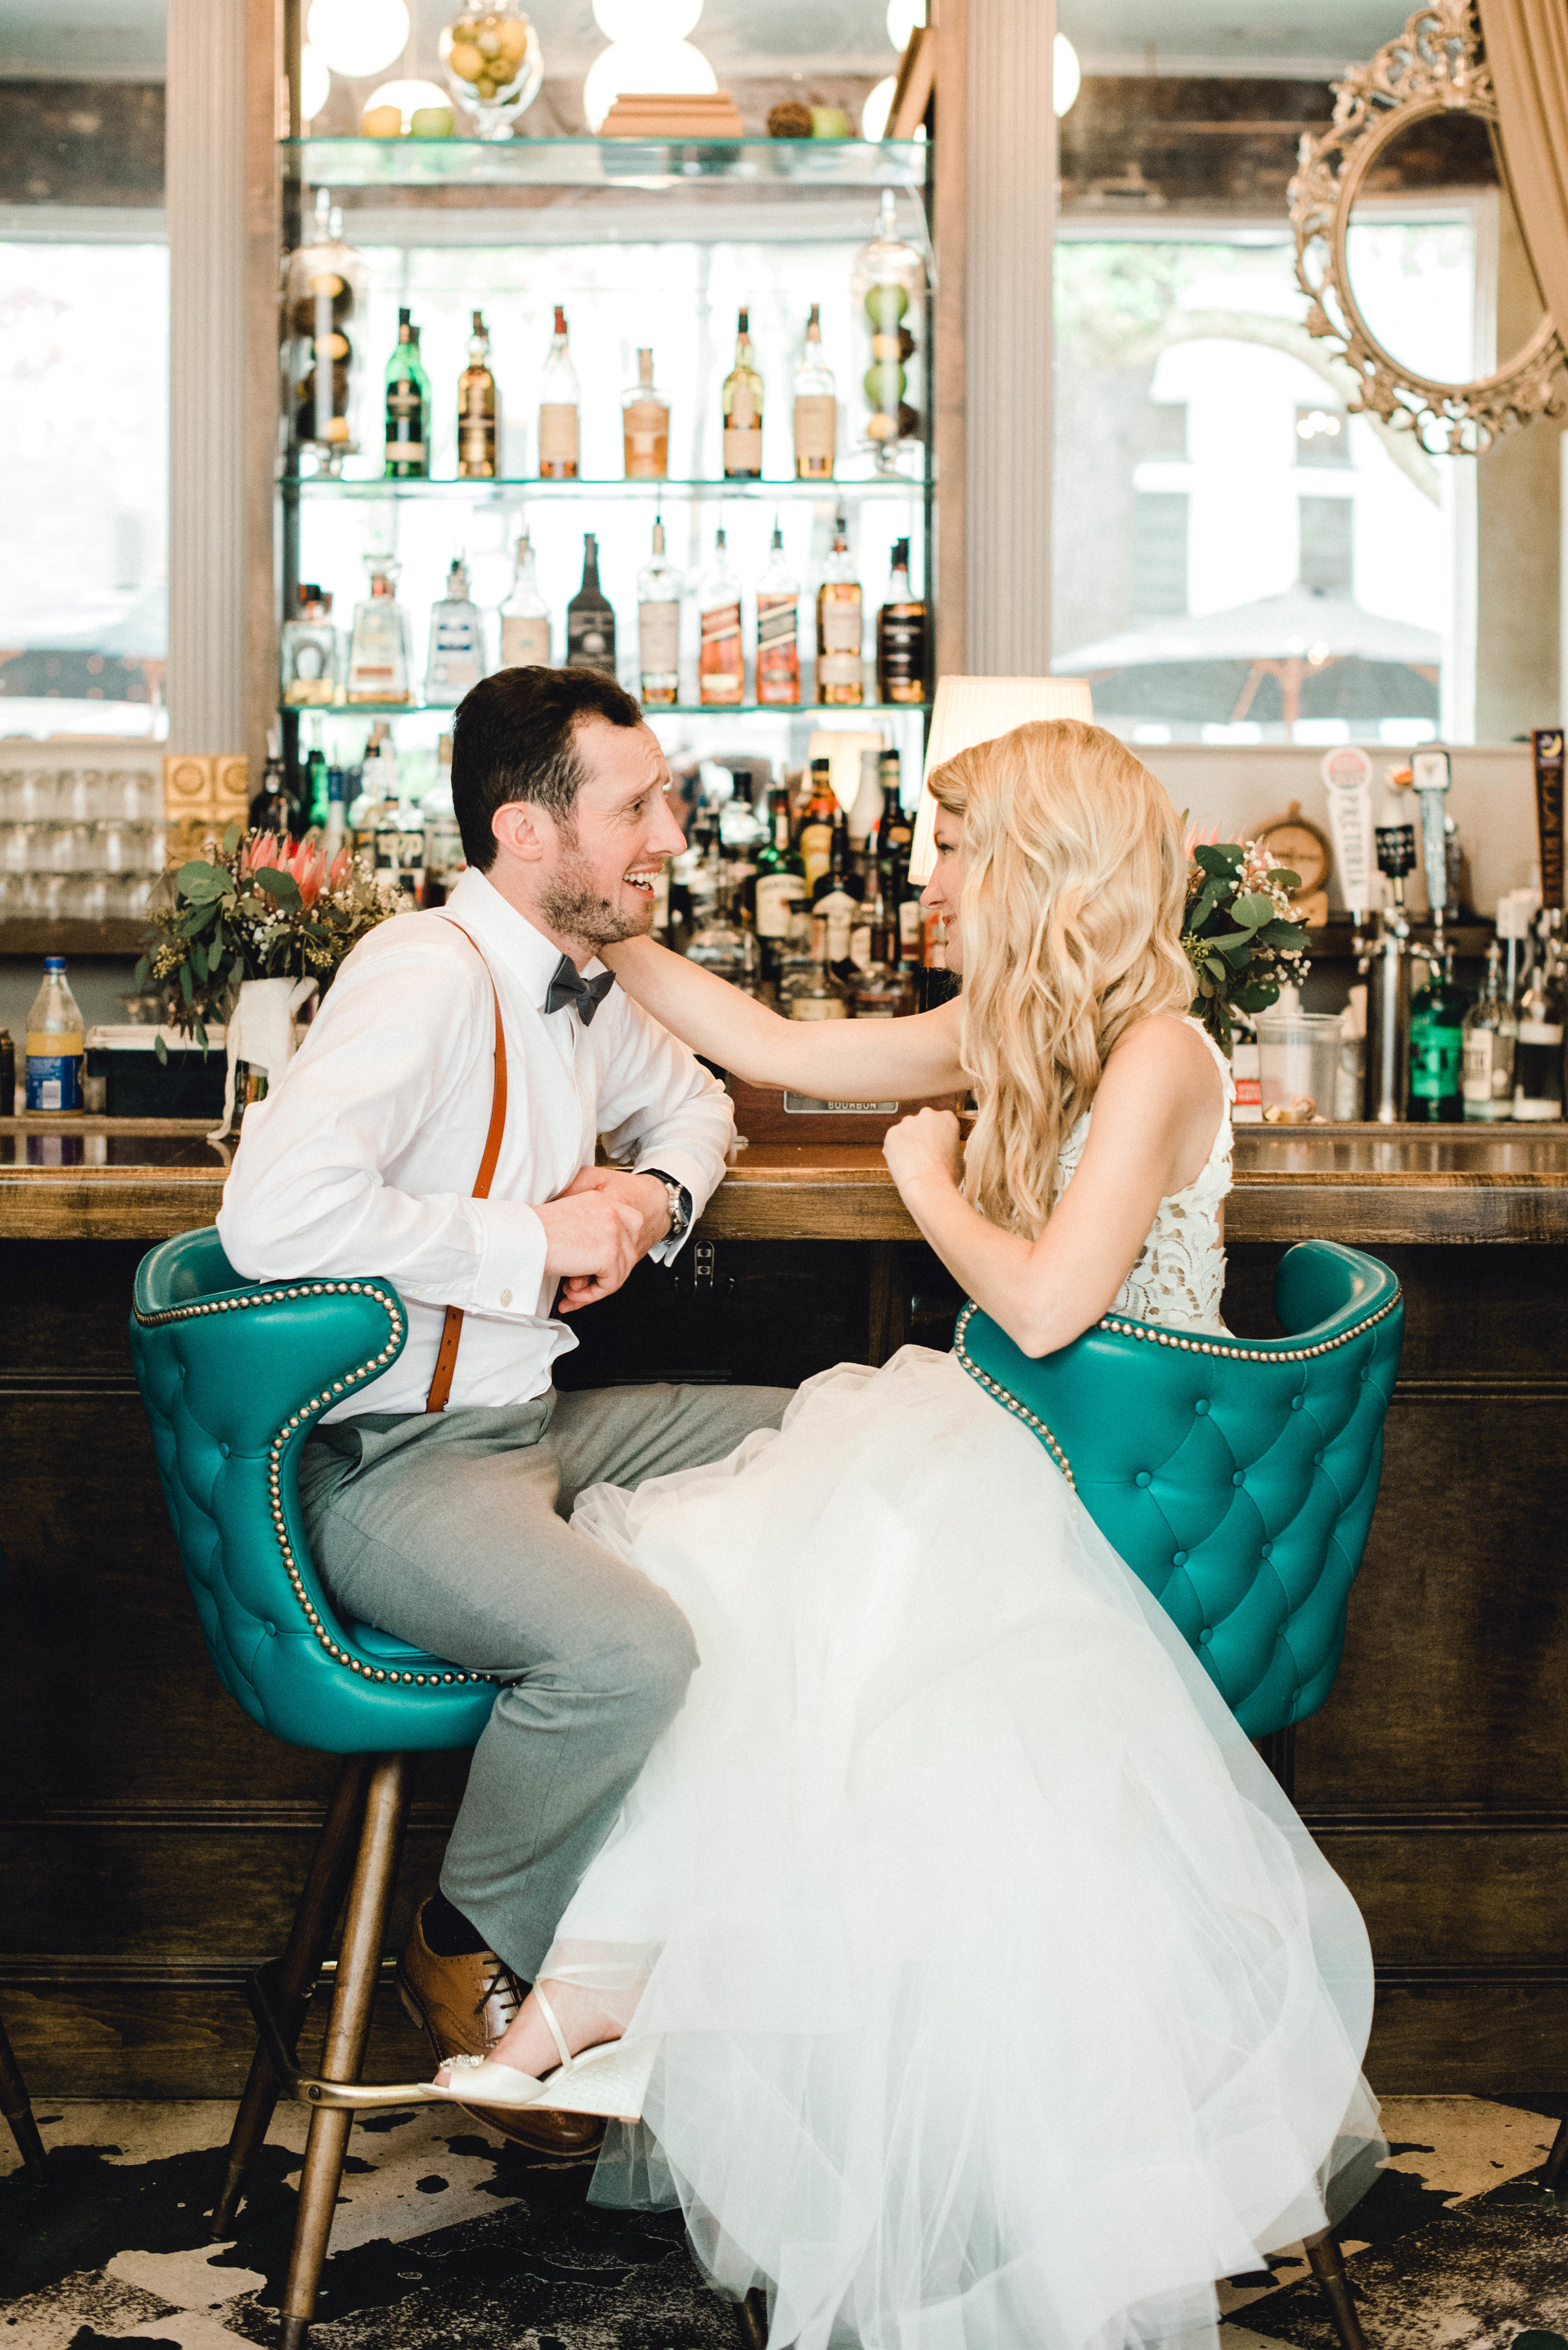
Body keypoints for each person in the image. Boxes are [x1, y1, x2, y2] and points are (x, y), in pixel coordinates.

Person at [423, 718, 1383, 2350]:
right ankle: (601, 1995)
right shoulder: (1020, 1028)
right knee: (728, 1573)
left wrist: (926, 1182)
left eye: (958, 851)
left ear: (1040, 869)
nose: (933, 877)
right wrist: (599, 923)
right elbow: (776, 1043)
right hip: (1015, 1446)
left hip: (1093, 1484)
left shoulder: (1158, 1051)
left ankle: (601, 1998)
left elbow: (1053, 1298)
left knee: (804, 1572)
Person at [217, 666, 794, 2154]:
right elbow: (273, 1211)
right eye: (639, 807)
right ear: (528, 829)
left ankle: (744, 1944)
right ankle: (463, 1936)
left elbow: (702, 1107)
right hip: (395, 1457)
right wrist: (526, 1238)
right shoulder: (426, 966)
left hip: (523, 1422)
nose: (671, 831)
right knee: (627, 1651)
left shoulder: (572, 980)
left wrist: (652, 1194)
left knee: (821, 1433)